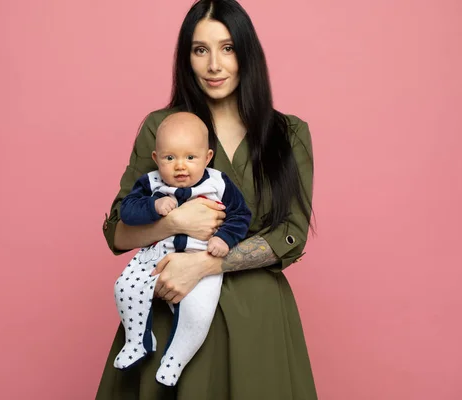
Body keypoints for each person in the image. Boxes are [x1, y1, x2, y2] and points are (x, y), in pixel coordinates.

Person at [96, 0, 318, 398]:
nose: (214, 65)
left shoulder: (290, 133)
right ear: (187, 58)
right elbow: (117, 233)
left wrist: (201, 265)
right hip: (169, 311)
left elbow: (292, 234)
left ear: (247, 52)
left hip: (259, 320)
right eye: (201, 50)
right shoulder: (162, 128)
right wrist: (175, 224)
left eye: (228, 48)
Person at [113, 112, 251, 387]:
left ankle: (176, 358)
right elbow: (126, 211)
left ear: (208, 156)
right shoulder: (151, 183)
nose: (180, 166)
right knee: (124, 288)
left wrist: (224, 238)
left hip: (202, 259)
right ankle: (137, 340)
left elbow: (241, 215)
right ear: (156, 159)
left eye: (190, 157)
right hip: (154, 255)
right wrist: (153, 207)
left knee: (198, 312)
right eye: (169, 158)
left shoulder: (218, 183)